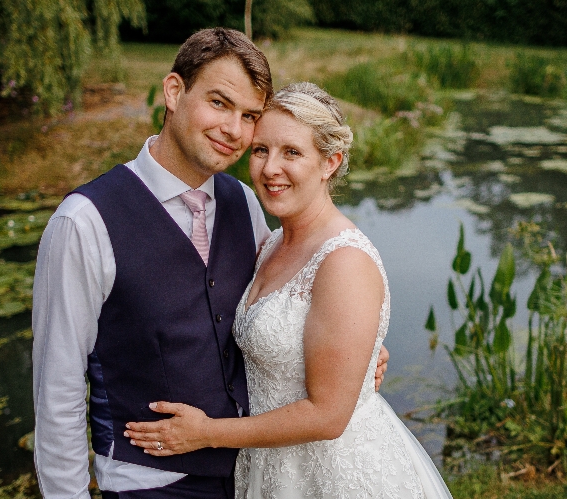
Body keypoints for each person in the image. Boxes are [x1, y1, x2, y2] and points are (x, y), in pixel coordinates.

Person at [32, 29, 388, 499]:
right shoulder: (84, 222)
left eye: (249, 116)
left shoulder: (244, 201)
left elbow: (287, 301)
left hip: (255, 474)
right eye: (219, 103)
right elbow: (56, 394)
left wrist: (357, 354)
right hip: (150, 482)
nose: (234, 131)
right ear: (174, 92)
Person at [123, 82, 453, 498]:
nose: (269, 168)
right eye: (261, 150)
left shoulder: (343, 261)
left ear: (329, 162)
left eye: (292, 153)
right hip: (271, 466)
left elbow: (328, 416)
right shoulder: (272, 243)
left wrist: (206, 433)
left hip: (332, 472)